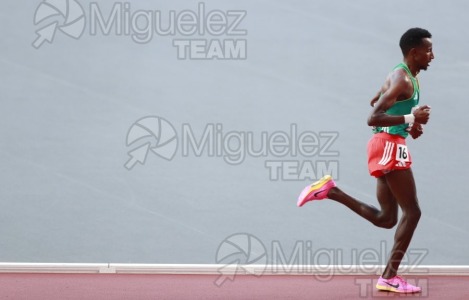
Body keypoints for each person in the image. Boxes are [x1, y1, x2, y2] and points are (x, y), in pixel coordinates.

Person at [297, 28, 434, 294]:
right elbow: (373, 116)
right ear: (414, 52)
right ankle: (389, 277)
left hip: (385, 144)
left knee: (386, 219)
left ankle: (330, 191)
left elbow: (381, 101)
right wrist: (410, 120)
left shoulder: (406, 76)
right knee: (413, 212)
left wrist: (409, 124)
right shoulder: (403, 79)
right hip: (388, 147)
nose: (433, 55)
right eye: (428, 50)